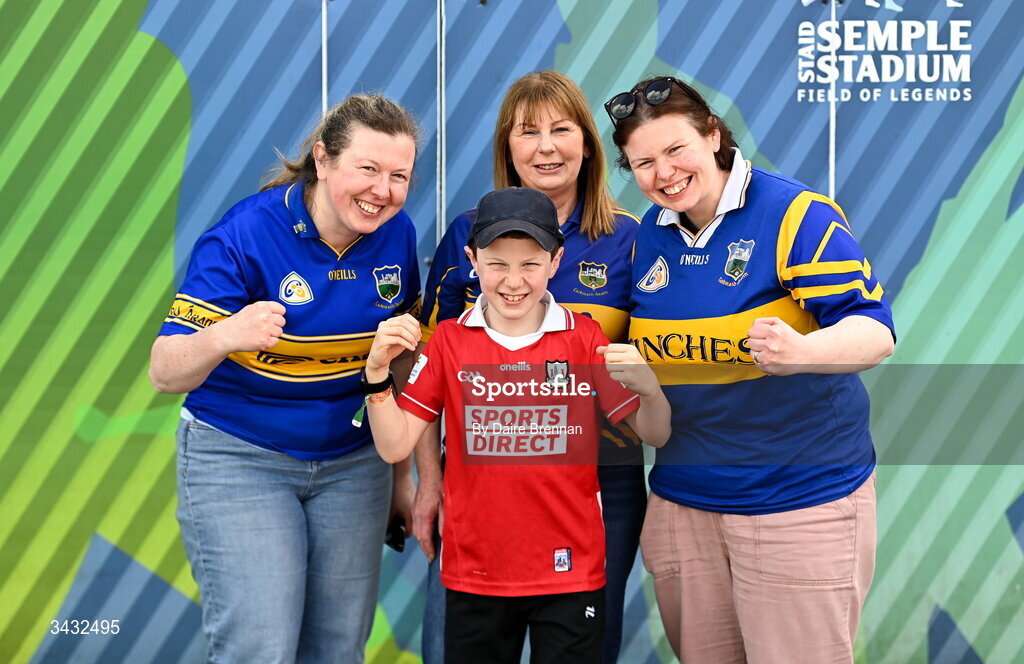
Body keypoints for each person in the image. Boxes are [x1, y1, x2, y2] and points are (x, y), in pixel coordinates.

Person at [606, 76, 896, 663]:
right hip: (685, 503)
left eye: (675, 150)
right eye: (643, 162)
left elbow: (876, 332)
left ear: (713, 135)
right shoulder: (647, 239)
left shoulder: (794, 214)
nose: (663, 174)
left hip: (797, 500)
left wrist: (803, 352)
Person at [148, 94, 421, 663]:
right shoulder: (245, 234)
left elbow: (393, 369)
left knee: (337, 649)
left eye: (399, 175)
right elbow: (164, 371)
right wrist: (226, 334)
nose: (382, 190)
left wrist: (400, 477)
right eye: (367, 168)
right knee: (260, 648)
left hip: (354, 465)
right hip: (242, 459)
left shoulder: (399, 236)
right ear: (323, 159)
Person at [364, 187, 671, 664]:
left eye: (530, 264)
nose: (513, 281)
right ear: (472, 260)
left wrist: (650, 391)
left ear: (555, 261)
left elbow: (655, 433)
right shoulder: (449, 340)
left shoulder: (582, 336)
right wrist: (378, 378)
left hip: (571, 573)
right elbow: (393, 444)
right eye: (496, 264)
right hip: (476, 572)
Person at [415, 70, 645, 663]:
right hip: (477, 486)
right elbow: (426, 372)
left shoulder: (629, 240)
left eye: (562, 129)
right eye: (528, 131)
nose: (546, 146)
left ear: (588, 143)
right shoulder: (466, 237)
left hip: (598, 486)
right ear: (507, 147)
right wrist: (430, 484)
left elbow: (648, 373)